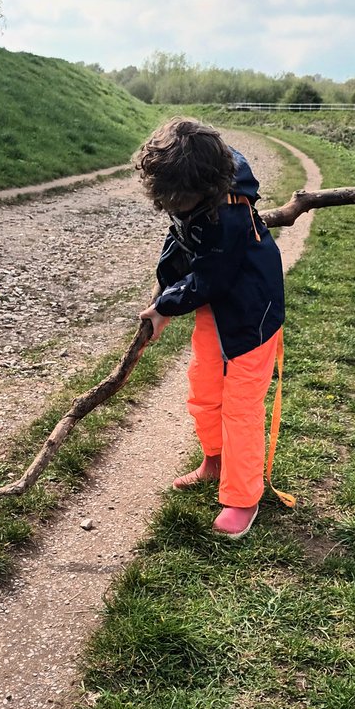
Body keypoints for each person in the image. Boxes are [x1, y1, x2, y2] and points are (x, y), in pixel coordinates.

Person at [136, 117, 288, 540]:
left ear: (206, 189)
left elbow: (209, 279)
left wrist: (165, 306)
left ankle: (243, 497)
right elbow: (180, 242)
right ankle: (215, 460)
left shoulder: (229, 216)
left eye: (180, 200)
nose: (173, 207)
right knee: (204, 386)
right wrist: (163, 290)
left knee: (240, 406)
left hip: (251, 317)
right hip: (217, 311)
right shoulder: (193, 193)